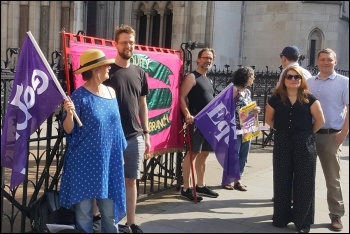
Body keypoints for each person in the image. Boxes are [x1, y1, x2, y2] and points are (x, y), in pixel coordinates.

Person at [60, 49, 127, 233]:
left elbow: (116, 128)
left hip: (109, 161)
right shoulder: (79, 96)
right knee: (84, 212)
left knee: (109, 211)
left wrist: (119, 153)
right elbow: (68, 130)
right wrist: (68, 113)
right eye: (106, 66)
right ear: (96, 69)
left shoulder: (112, 92)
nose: (109, 69)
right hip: (83, 161)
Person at [265, 65, 325, 233]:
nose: (293, 80)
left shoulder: (309, 98)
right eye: (289, 76)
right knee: (282, 179)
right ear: (284, 79)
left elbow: (320, 120)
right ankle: (281, 217)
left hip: (304, 142)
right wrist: (283, 130)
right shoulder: (276, 98)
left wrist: (306, 133)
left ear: (301, 80)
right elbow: (269, 119)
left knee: (304, 181)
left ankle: (302, 221)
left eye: (296, 77)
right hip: (283, 140)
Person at [103, 24, 150, 233]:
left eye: (131, 42)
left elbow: (143, 104)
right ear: (116, 44)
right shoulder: (106, 71)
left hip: (134, 136)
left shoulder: (140, 72)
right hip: (111, 137)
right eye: (124, 42)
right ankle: (104, 222)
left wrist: (147, 133)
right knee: (107, 180)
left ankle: (131, 224)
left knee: (131, 181)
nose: (129, 46)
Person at [307, 48, 349, 232]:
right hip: (309, 134)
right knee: (304, 176)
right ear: (317, 62)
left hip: (332, 135)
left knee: (332, 178)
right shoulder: (308, 82)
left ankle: (336, 215)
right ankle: (302, 212)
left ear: (335, 62)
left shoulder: (344, 82)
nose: (325, 62)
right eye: (322, 59)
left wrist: (344, 132)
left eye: (329, 60)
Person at [179, 48, 220, 202]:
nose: (207, 61)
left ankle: (200, 185)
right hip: (195, 121)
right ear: (198, 59)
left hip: (209, 122)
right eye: (205, 58)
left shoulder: (207, 79)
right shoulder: (192, 77)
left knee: (204, 155)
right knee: (192, 154)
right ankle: (186, 188)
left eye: (210, 59)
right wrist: (187, 114)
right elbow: (181, 97)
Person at [222, 66, 260, 191]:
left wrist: (254, 110)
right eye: (252, 76)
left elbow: (247, 107)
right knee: (234, 154)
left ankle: (238, 179)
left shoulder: (247, 92)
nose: (253, 78)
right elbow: (228, 108)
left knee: (243, 155)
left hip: (247, 127)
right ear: (245, 77)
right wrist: (249, 110)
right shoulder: (234, 90)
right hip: (235, 128)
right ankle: (228, 180)